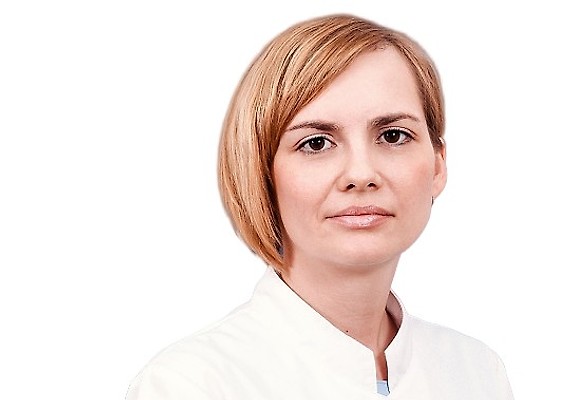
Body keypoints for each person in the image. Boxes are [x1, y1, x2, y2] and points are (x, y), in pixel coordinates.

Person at [126, 13, 514, 399]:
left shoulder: (477, 372)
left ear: (438, 165)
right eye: (316, 143)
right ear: (261, 171)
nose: (361, 174)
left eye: (393, 136)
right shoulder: (190, 385)